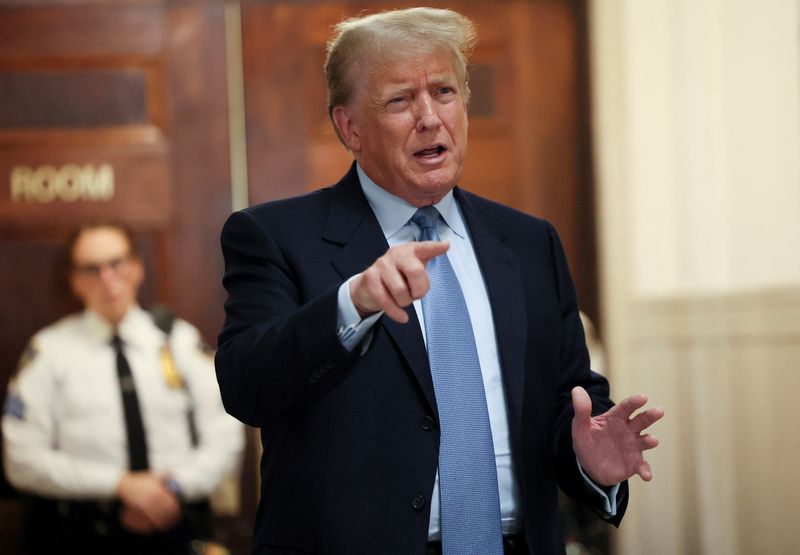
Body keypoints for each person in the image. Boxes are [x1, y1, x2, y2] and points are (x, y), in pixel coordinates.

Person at [215, 7, 664, 555]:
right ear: (349, 127)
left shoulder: (527, 243)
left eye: (445, 92)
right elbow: (247, 388)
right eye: (400, 99)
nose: (430, 117)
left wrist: (587, 461)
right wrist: (352, 304)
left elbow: (568, 398)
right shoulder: (275, 236)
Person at [2, 222, 244, 555]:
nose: (108, 278)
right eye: (92, 268)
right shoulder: (48, 352)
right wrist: (121, 485)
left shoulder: (179, 341)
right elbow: (21, 459)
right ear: (74, 280)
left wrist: (171, 488)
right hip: (78, 534)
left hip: (176, 525)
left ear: (136, 267)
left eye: (116, 263)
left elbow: (225, 434)